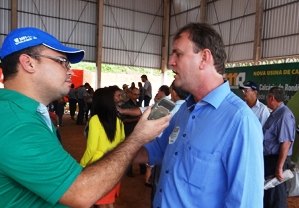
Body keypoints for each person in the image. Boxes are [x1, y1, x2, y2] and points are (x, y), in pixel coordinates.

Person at [0, 27, 170, 207]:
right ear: (29, 63)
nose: (70, 71)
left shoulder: (26, 113)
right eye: (62, 62)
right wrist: (138, 137)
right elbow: (81, 192)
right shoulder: (17, 124)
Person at [134, 23, 264, 207]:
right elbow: (159, 150)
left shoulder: (240, 121)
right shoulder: (183, 111)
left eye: (178, 54)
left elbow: (245, 203)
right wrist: (116, 156)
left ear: (204, 58)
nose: (171, 62)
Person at [80, 87, 125, 208]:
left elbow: (92, 149)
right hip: (114, 165)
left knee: (100, 203)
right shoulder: (118, 120)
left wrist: (82, 165)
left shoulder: (95, 120)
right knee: (109, 202)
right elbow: (122, 143)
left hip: (98, 165)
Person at [263, 86, 296, 208]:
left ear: (271, 98)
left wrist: (279, 167)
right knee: (269, 195)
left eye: (267, 97)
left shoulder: (284, 115)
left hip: (277, 161)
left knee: (277, 197)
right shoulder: (275, 113)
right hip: (270, 160)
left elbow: (286, 142)